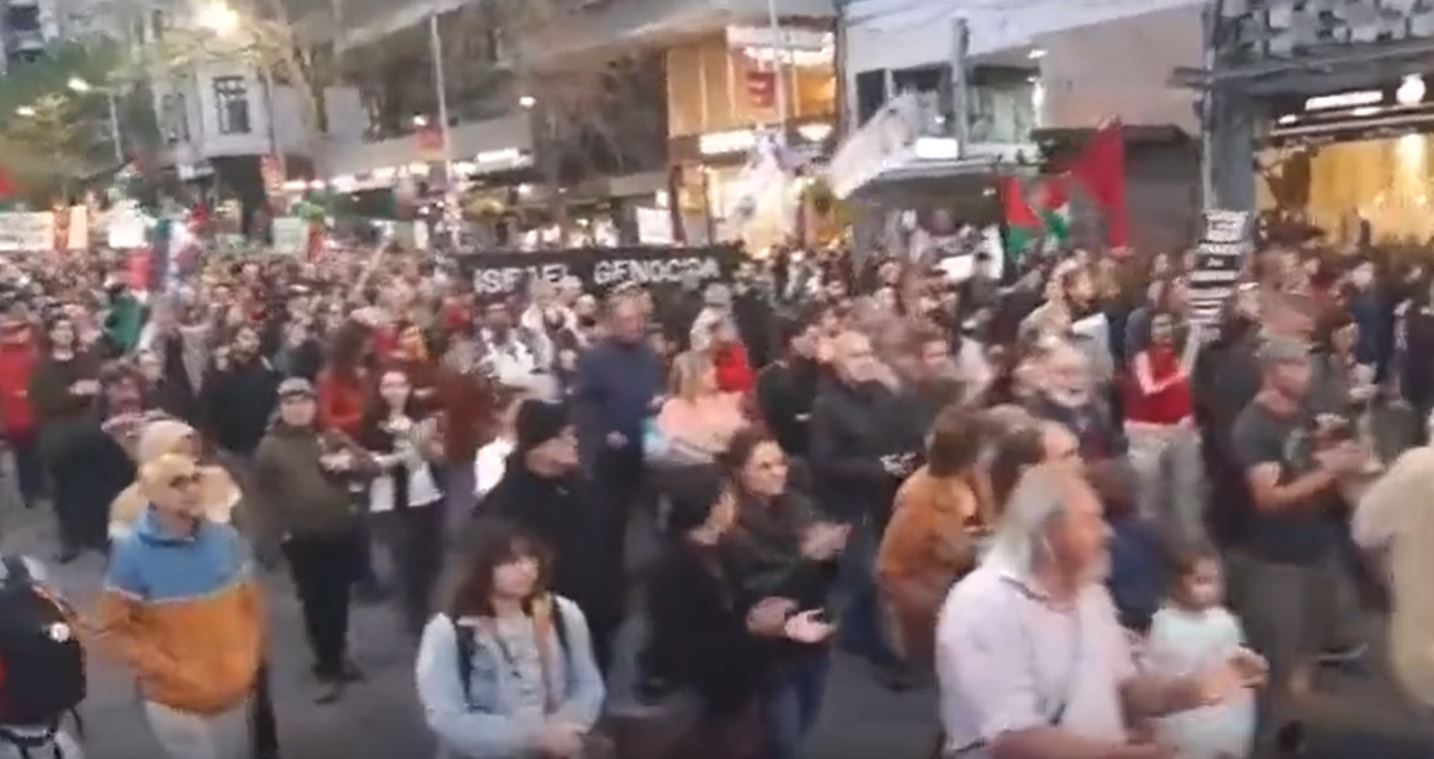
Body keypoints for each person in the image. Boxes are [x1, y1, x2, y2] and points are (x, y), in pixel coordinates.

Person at [935, 464, 1267, 759]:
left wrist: (1196, 688)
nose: (1108, 533)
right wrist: (1122, 755)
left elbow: (1125, 690)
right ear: (1050, 532)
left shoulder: (1091, 595)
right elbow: (1013, 741)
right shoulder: (986, 604)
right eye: (1091, 521)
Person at [95, 453, 264, 759]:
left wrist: (247, 659)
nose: (191, 489)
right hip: (176, 701)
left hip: (234, 693)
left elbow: (250, 606)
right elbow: (112, 631)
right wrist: (167, 670)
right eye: (177, 483)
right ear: (152, 495)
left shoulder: (226, 538)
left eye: (195, 479)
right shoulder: (131, 554)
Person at [415, 519, 605, 759]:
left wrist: (567, 728)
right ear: (480, 567)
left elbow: (588, 684)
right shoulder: (448, 631)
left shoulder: (562, 614)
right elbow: (446, 717)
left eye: (530, 559)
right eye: (511, 562)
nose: (526, 569)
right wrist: (535, 737)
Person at [719, 430, 841, 759]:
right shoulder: (733, 527)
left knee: (805, 720)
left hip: (814, 635)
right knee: (782, 742)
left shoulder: (800, 505)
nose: (778, 472)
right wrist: (807, 560)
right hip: (771, 652)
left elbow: (825, 576)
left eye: (780, 463)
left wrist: (831, 555)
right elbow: (755, 592)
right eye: (764, 466)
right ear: (739, 472)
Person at [253, 378, 374, 703]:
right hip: (303, 537)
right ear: (280, 408)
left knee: (340, 599)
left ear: (314, 405)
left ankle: (338, 655)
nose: (298, 409)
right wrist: (269, 538)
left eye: (304, 402)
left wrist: (350, 462)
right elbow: (263, 496)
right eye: (290, 403)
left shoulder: (330, 436)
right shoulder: (270, 446)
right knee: (316, 603)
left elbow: (369, 465)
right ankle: (326, 666)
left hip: (341, 530)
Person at [484, 400, 623, 672]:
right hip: (546, 625)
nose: (574, 442)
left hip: (595, 616)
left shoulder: (581, 485)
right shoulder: (508, 504)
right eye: (563, 437)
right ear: (538, 445)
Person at [808, 331, 919, 671]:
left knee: (874, 574)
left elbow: (906, 429)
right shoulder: (826, 406)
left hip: (887, 497)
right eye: (856, 355)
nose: (865, 360)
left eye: (868, 353)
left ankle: (855, 633)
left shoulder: (881, 393)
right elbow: (824, 462)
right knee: (869, 574)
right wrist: (877, 467)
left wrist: (904, 458)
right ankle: (880, 649)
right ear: (838, 363)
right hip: (849, 502)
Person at [876, 405, 984, 669]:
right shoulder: (918, 500)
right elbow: (891, 566)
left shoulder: (969, 479)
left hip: (954, 583)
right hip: (927, 594)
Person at [1145, 544, 1257, 759]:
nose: (1209, 588)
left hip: (1224, 721)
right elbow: (1154, 674)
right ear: (1178, 582)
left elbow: (1235, 670)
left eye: (1215, 581)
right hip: (1180, 721)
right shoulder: (1162, 622)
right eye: (1201, 580)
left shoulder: (1225, 622)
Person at [359, 368, 446, 637]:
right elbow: (370, 461)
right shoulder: (372, 423)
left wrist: (417, 437)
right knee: (406, 559)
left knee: (431, 559)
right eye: (388, 385)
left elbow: (439, 455)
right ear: (379, 391)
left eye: (400, 385)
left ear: (409, 389)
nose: (395, 391)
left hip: (426, 495)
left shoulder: (421, 419)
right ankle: (414, 617)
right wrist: (396, 456)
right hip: (390, 500)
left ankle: (424, 605)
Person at [29, 316, 101, 562]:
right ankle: (70, 539)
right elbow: (45, 401)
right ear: (50, 334)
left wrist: (81, 391)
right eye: (59, 329)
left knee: (91, 482)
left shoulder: (86, 360)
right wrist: (75, 392)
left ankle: (93, 532)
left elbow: (96, 388)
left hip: (88, 429)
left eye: (69, 328)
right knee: (64, 488)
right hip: (58, 434)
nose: (65, 333)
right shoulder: (42, 366)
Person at [652, 352, 746, 466]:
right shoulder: (675, 407)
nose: (714, 371)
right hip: (700, 467)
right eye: (706, 370)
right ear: (691, 377)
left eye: (712, 367)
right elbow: (680, 443)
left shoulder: (729, 399)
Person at [755, 316, 822, 457]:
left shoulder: (816, 369)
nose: (817, 344)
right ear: (794, 341)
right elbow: (777, 419)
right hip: (793, 448)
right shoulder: (770, 377)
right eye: (813, 338)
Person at [0, 308, 42, 510]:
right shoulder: (29, 353)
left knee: (30, 453)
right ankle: (30, 490)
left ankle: (34, 489)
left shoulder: (32, 353)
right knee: (25, 454)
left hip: (30, 412)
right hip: (17, 414)